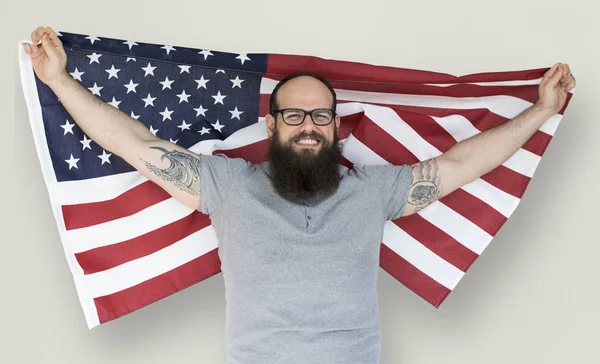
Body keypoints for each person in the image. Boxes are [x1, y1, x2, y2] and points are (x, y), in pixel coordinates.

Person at [24, 26, 576, 364]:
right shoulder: (226, 185)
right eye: (294, 115)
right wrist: (58, 81)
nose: (307, 126)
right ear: (272, 127)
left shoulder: (375, 191)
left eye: (320, 115)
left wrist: (542, 110)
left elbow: (462, 162)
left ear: (336, 127)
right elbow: (135, 142)